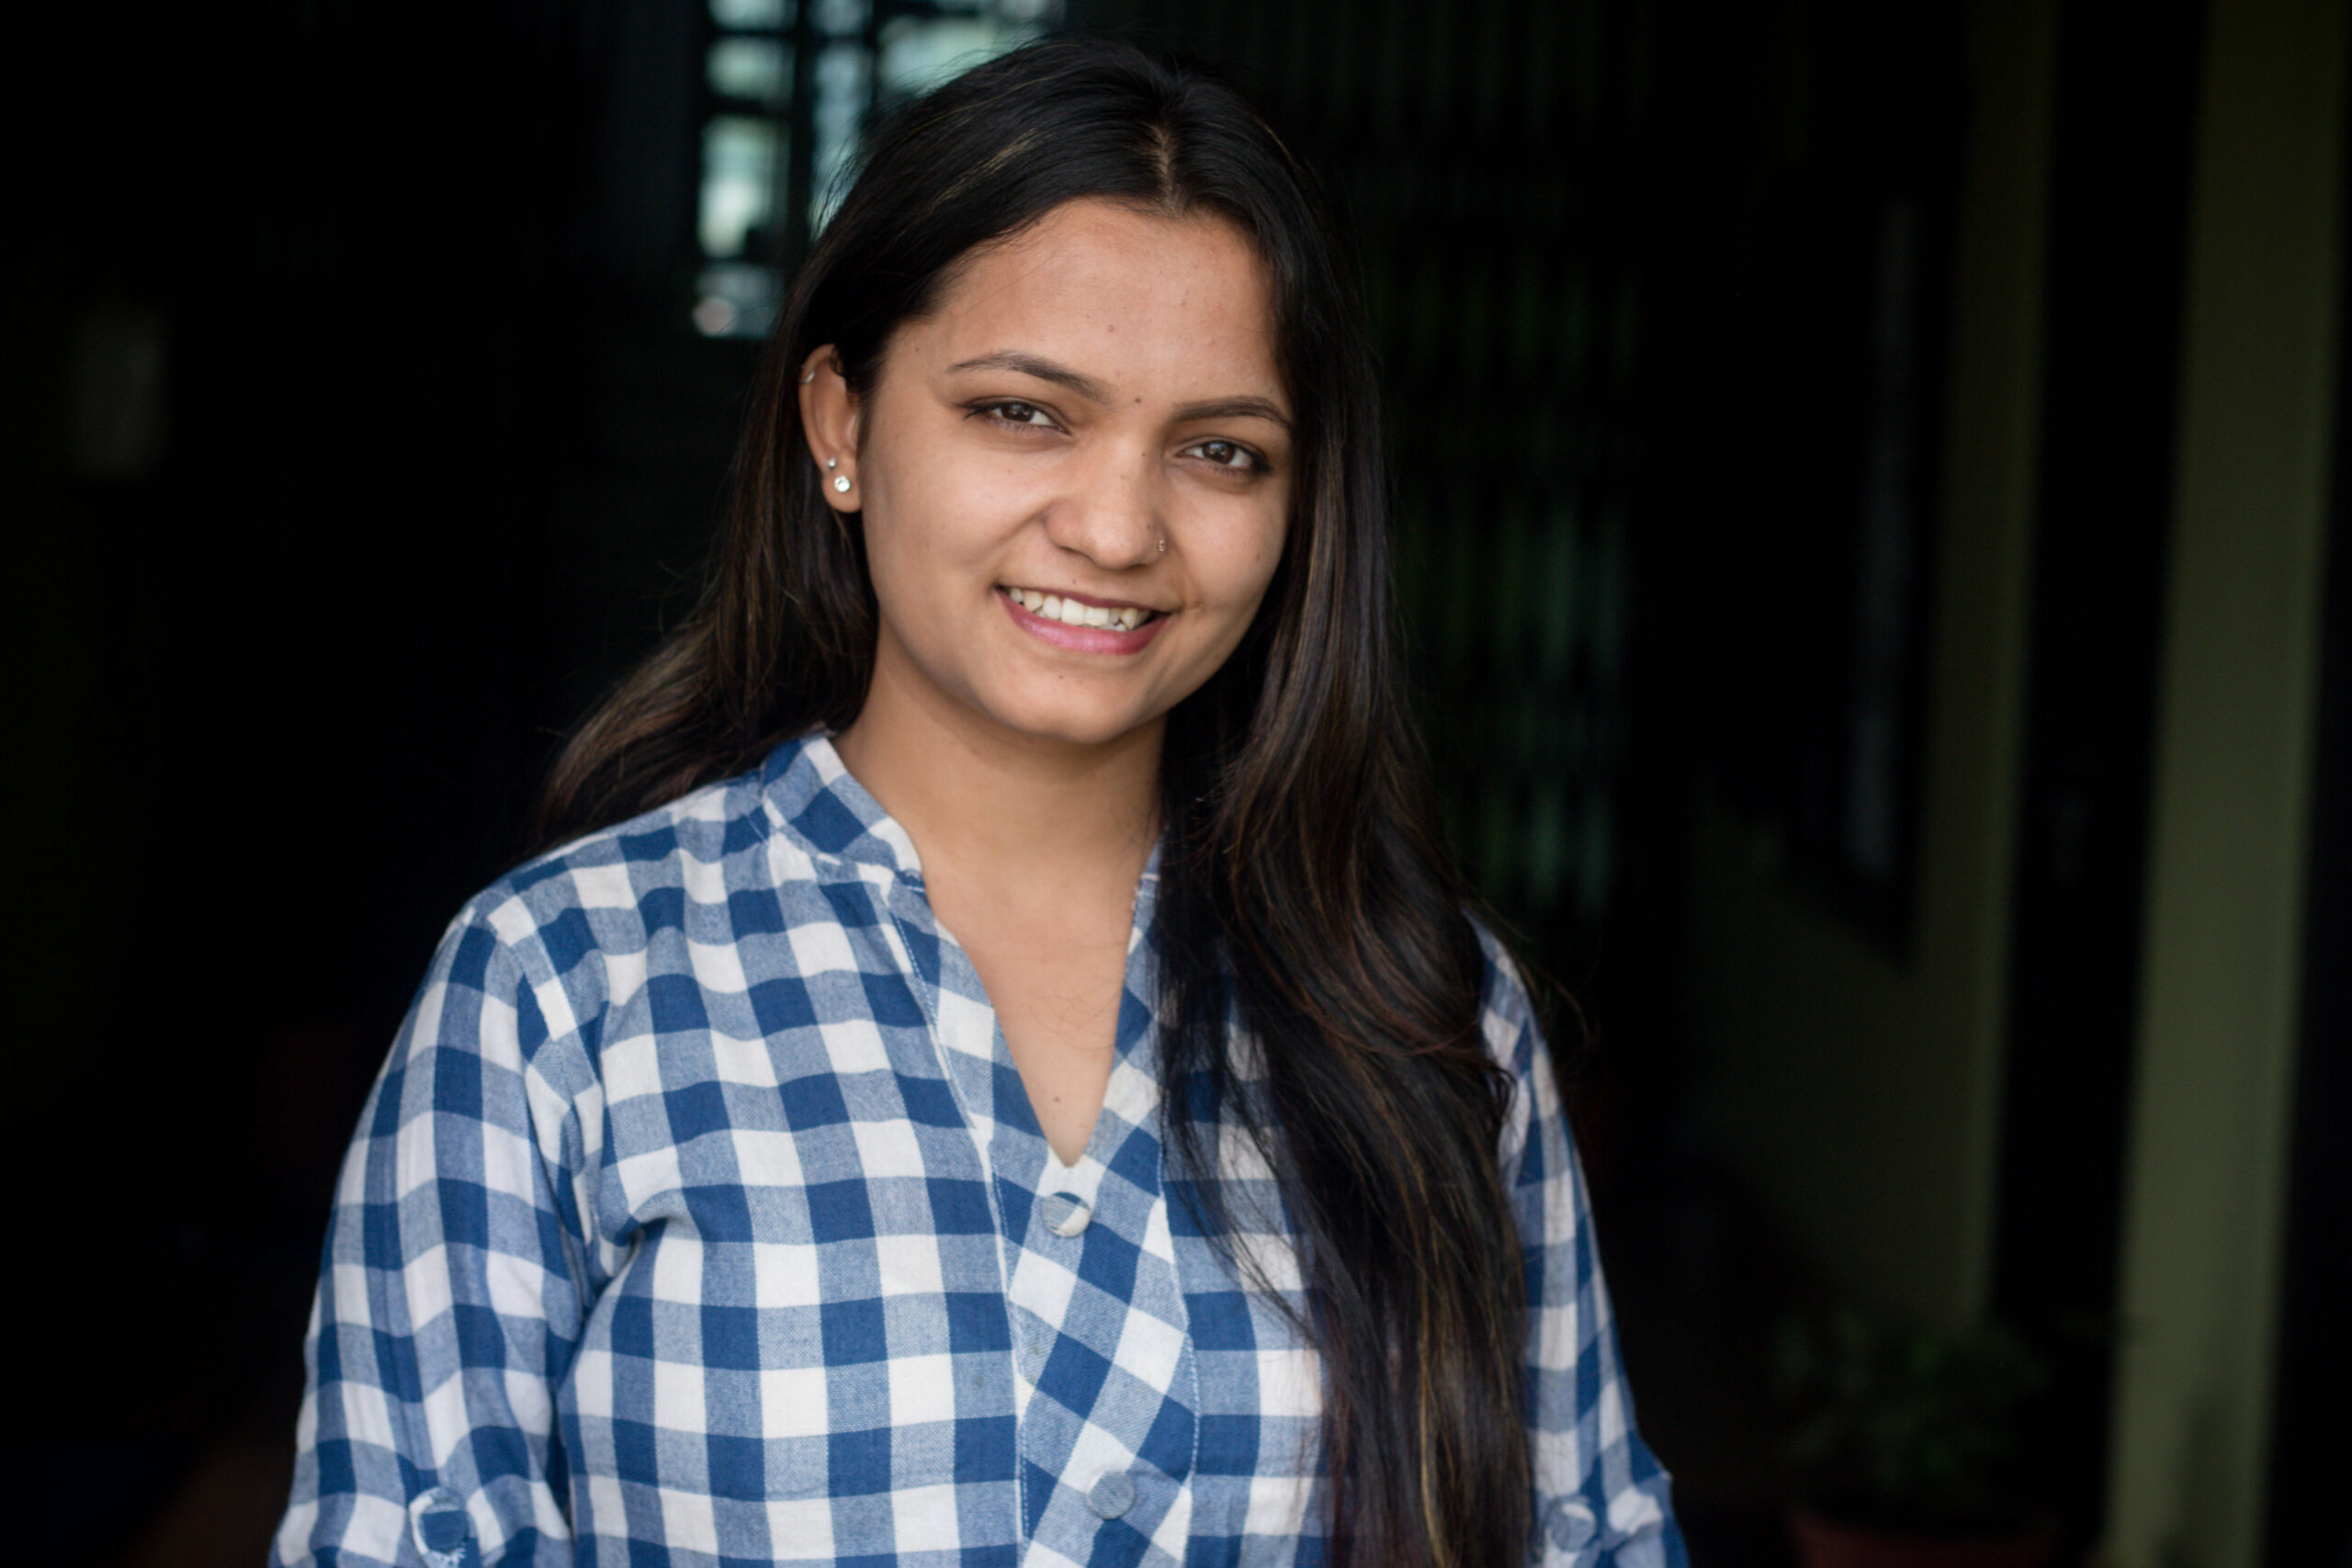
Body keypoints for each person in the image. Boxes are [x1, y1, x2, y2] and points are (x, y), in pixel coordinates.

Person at [273, 36, 1684, 1568]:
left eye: (1220, 450)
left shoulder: (1428, 1012)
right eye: (1025, 412)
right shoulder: (561, 989)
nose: (1118, 524)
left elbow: (1585, 1537)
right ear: (842, 427)